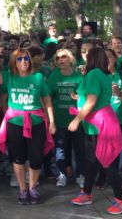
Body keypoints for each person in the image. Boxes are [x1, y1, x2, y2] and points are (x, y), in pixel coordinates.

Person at [0, 46, 55, 205]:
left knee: (36, 159)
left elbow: (47, 100)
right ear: (14, 62)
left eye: (26, 58)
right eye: (20, 59)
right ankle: (22, 189)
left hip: (37, 122)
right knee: (18, 158)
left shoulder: (38, 78)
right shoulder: (10, 77)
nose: (24, 61)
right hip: (15, 123)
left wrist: (52, 121)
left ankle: (32, 187)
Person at [68, 47, 122, 215]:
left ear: (92, 58)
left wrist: (76, 119)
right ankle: (86, 194)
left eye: (87, 54)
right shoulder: (102, 74)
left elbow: (91, 101)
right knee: (91, 161)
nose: (84, 57)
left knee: (107, 163)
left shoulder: (94, 74)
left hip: (100, 125)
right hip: (96, 124)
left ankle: (121, 200)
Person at [47, 49, 85, 188]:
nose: (61, 60)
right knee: (60, 149)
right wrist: (51, 121)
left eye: (64, 57)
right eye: (58, 58)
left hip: (78, 120)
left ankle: (80, 174)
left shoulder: (79, 76)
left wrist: (79, 98)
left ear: (70, 59)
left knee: (80, 148)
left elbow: (85, 97)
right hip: (60, 120)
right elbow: (48, 99)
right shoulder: (53, 77)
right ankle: (62, 174)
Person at [105, 49, 122, 174]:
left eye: (109, 57)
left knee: (117, 147)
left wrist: (118, 93)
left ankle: (115, 173)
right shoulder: (98, 75)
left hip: (119, 117)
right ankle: (105, 174)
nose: (107, 60)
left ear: (115, 58)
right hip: (103, 120)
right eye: (104, 57)